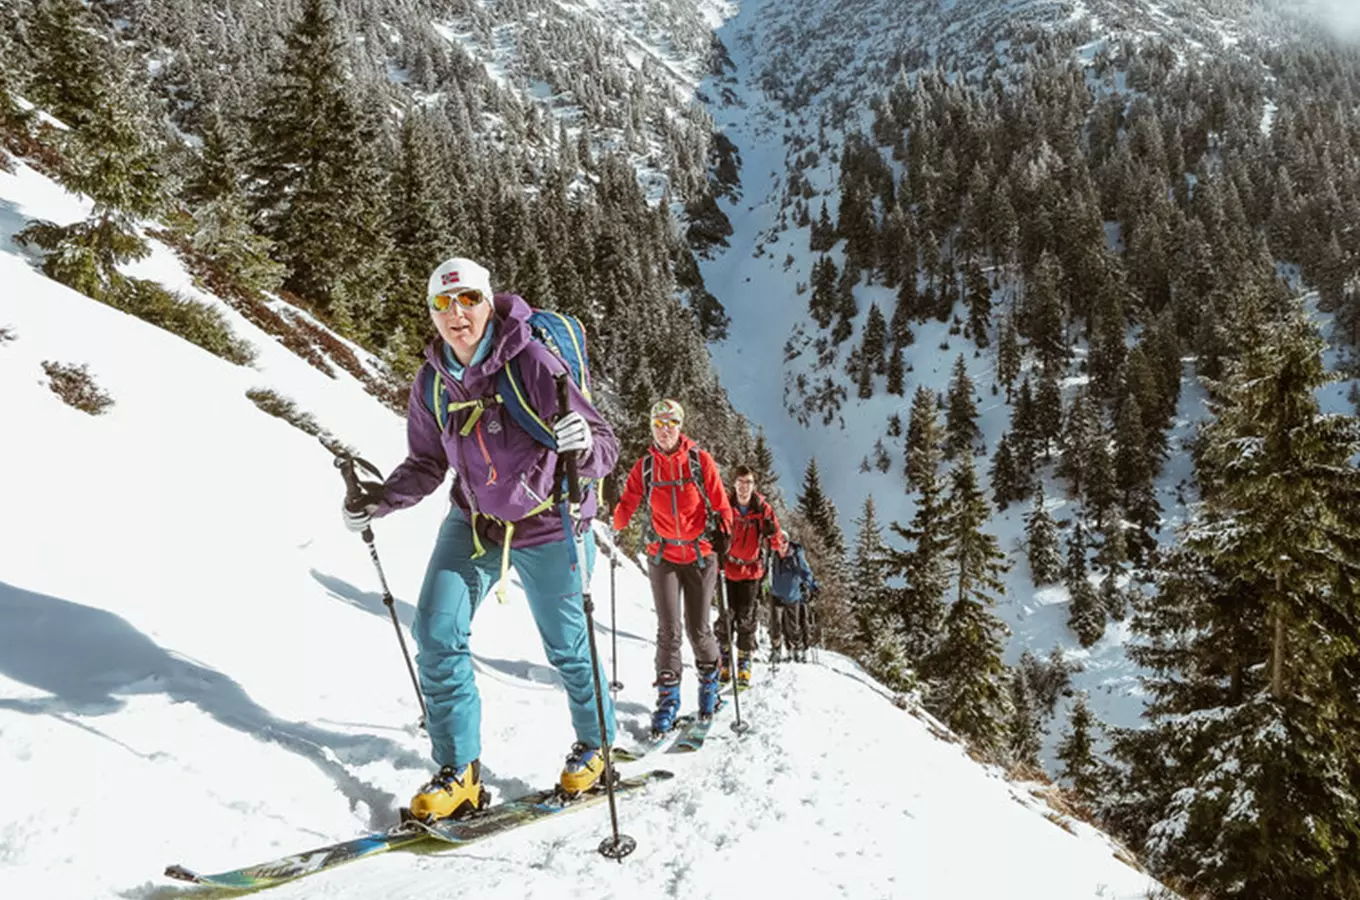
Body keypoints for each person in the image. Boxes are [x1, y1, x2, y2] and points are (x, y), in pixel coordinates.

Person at [341, 257, 619, 822]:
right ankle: (460, 771)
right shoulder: (433, 382)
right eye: (442, 304)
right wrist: (380, 500)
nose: (456, 314)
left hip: (550, 523)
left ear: (488, 301)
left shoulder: (532, 363)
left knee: (567, 648)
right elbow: (425, 461)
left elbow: (606, 447)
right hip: (474, 522)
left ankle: (597, 748)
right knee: (437, 630)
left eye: (467, 299)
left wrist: (581, 444)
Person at [611, 399, 733, 733]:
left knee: (698, 628)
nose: (665, 431)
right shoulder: (646, 466)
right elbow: (628, 501)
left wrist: (725, 532)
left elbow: (722, 504)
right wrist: (614, 523)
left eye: (671, 424)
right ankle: (667, 702)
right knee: (668, 631)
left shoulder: (699, 461)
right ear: (651, 428)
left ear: (680, 426)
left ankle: (710, 689)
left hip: (699, 555)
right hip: (662, 555)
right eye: (658, 425)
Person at [716, 465, 784, 687]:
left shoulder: (762, 509)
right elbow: (714, 530)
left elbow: (775, 534)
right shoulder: (725, 505)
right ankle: (724, 661)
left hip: (751, 571)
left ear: (754, 485)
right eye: (740, 482)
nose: (744, 487)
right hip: (727, 568)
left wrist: (777, 544)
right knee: (726, 616)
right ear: (734, 484)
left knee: (746, 617)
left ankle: (744, 662)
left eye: (748, 483)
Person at [769, 531, 818, 663]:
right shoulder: (773, 556)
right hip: (776, 594)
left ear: (787, 542)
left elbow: (806, 572)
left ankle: (797, 648)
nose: (781, 546)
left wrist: (811, 586)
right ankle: (776, 650)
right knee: (775, 625)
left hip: (793, 596)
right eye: (778, 543)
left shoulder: (795, 556)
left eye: (783, 543)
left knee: (793, 626)